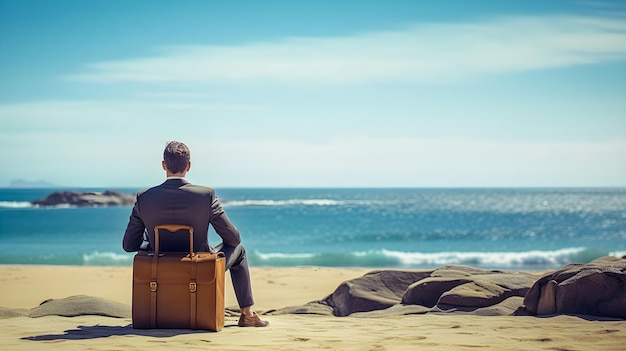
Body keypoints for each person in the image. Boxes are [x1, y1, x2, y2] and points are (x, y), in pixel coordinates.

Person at [122, 141, 268, 327]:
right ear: (188, 166)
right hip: (199, 268)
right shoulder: (205, 195)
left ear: (163, 165)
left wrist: (150, 244)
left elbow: (128, 245)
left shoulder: (144, 197)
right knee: (239, 249)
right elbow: (233, 239)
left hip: (159, 267)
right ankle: (247, 314)